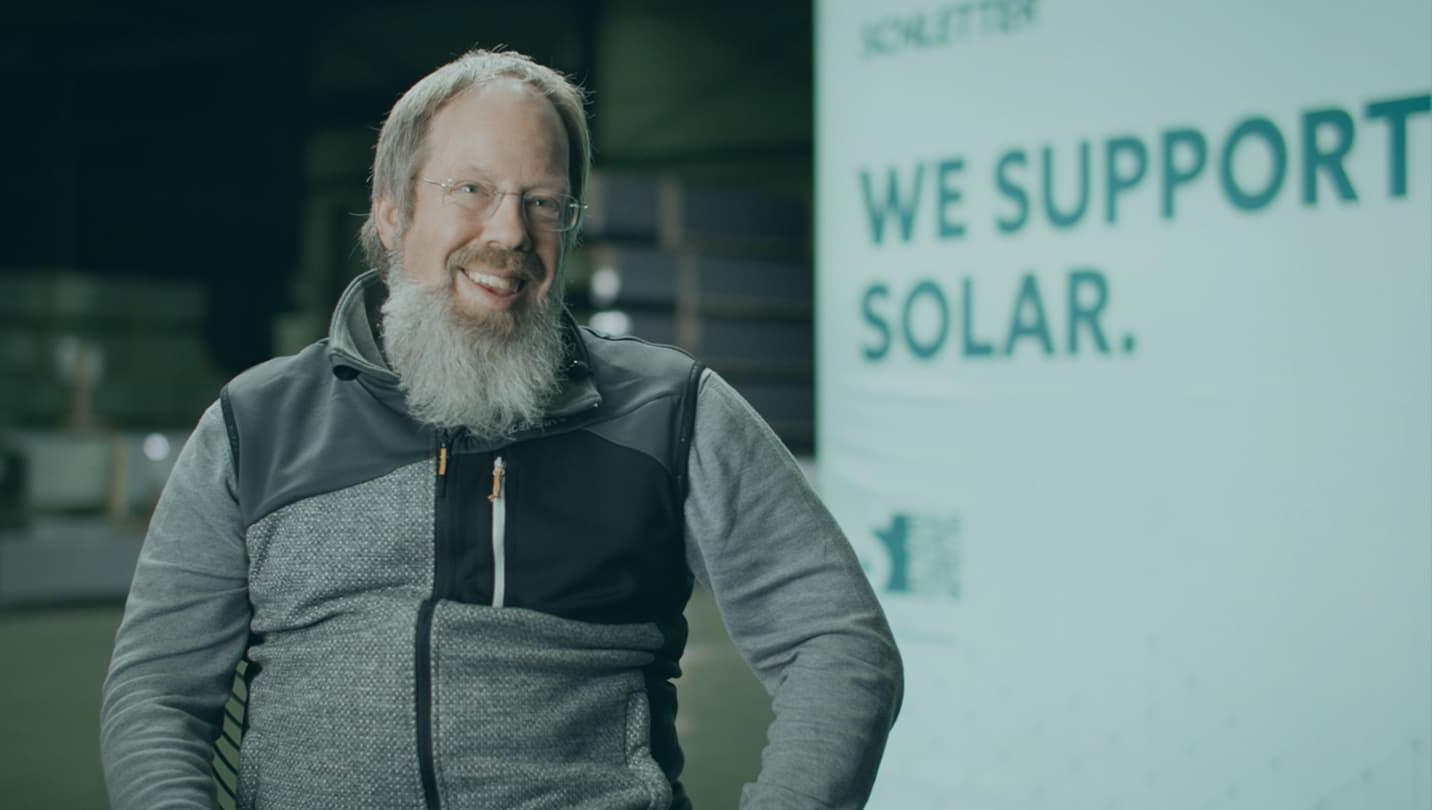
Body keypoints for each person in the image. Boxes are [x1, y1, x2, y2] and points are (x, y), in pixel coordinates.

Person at [100, 48, 902, 810]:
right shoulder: (257, 424)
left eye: (543, 202)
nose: (511, 233)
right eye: (472, 190)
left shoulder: (669, 412)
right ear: (393, 211)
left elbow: (839, 642)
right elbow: (156, 695)